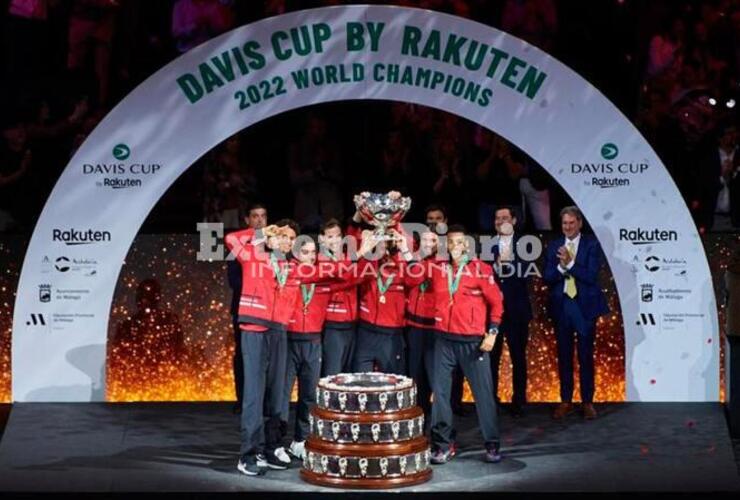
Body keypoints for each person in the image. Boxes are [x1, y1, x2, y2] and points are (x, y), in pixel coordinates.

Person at [226, 219, 377, 476]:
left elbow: (330, 272)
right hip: (254, 330)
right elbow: (231, 239)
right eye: (281, 236)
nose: (285, 241)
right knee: (253, 395)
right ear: (271, 237)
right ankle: (248, 454)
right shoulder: (252, 255)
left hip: (279, 331)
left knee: (276, 397)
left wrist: (360, 253)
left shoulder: (292, 269)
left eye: (289, 239)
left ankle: (270, 448)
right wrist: (261, 232)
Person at [409, 225, 504, 464]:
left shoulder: (481, 270)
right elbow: (411, 275)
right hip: (443, 340)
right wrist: (416, 254)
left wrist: (492, 332)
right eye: (450, 242)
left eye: (459, 243)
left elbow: (497, 304)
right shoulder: (437, 268)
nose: (454, 247)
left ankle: (491, 443)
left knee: (483, 395)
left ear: (468, 246)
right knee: (440, 395)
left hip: (473, 343)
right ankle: (442, 444)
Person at [543, 206, 608, 420]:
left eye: (571, 223)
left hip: (584, 308)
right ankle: (565, 400)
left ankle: (587, 401)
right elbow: (548, 276)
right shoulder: (554, 246)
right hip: (562, 308)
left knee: (585, 356)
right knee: (564, 356)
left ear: (579, 223)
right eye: (564, 223)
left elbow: (590, 276)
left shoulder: (592, 244)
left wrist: (570, 263)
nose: (568, 227)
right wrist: (561, 268)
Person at [489, 207, 533, 417]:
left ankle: (519, 401)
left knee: (518, 357)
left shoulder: (526, 245)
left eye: (505, 217)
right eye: (497, 218)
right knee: (491, 358)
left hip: (516, 310)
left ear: (514, 221)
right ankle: (491, 400)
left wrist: (508, 263)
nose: (500, 221)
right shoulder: (486, 245)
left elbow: (527, 273)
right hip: (492, 313)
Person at [227, 202, 267, 415]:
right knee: (243, 355)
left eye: (263, 216)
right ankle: (242, 399)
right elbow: (234, 281)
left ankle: (265, 400)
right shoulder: (238, 247)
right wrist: (257, 283)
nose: (260, 220)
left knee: (268, 357)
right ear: (247, 221)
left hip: (268, 310)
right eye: (255, 216)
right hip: (244, 309)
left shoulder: (274, 246)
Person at [404, 229, 439, 417]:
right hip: (415, 328)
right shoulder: (413, 260)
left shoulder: (442, 263)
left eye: (431, 240)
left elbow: (423, 276)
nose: (427, 243)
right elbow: (411, 279)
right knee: (416, 381)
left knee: (436, 382)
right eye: (424, 240)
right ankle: (418, 427)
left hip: (435, 331)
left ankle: (442, 434)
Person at [319, 218, 359, 376]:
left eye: (337, 236)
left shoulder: (348, 257)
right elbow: (341, 277)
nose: (334, 240)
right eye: (330, 237)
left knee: (348, 376)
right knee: (332, 375)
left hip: (352, 326)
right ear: (322, 239)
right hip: (332, 326)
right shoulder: (320, 260)